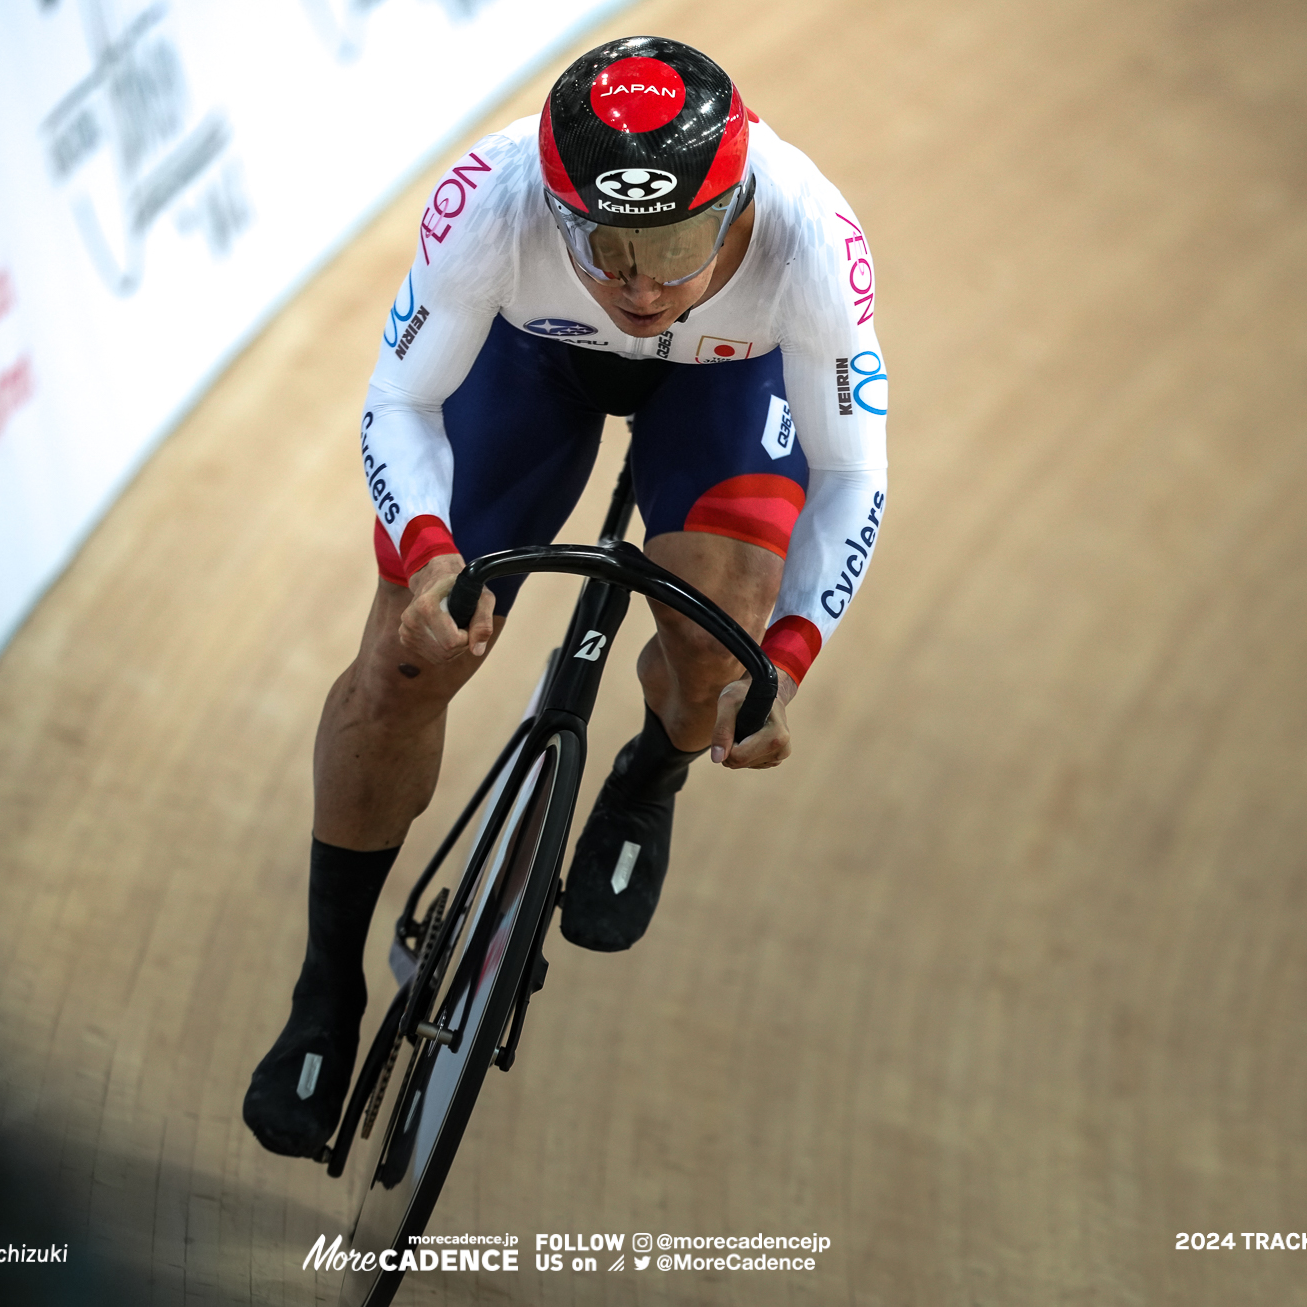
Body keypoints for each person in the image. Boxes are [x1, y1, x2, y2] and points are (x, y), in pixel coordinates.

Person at [244, 35, 888, 1159]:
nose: (640, 283)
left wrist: (787, 650)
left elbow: (851, 472)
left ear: (732, 203)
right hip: (529, 359)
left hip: (727, 381)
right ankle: (324, 987)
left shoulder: (811, 239)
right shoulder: (487, 201)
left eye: (676, 245)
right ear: (552, 201)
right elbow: (398, 398)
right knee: (404, 659)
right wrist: (432, 550)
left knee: (714, 656)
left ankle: (649, 770)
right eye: (608, 246)